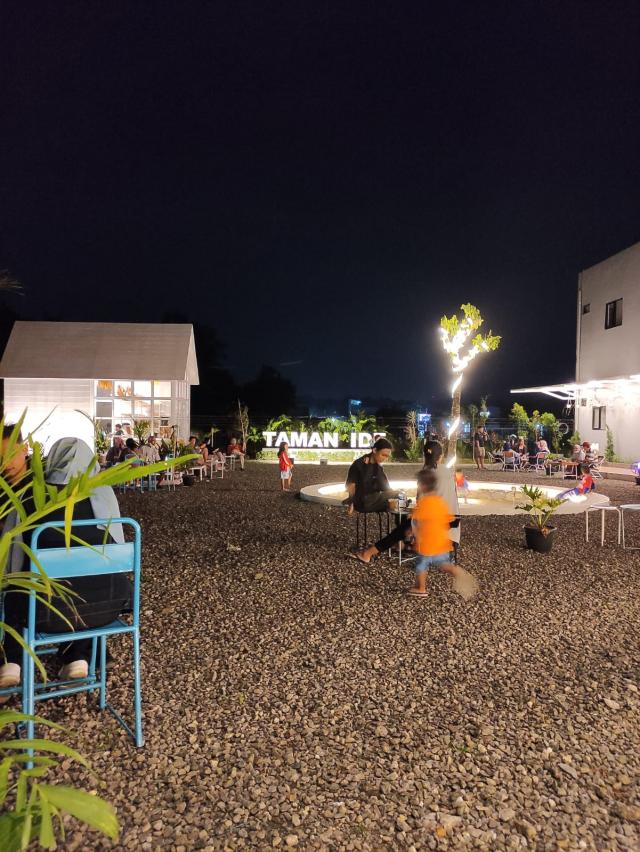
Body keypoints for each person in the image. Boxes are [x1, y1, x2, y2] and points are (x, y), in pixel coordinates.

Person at [0, 435, 133, 697]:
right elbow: (117, 553)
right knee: (87, 584)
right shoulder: (103, 494)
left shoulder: (30, 497)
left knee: (14, 591)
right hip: (107, 607)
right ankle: (78, 658)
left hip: (42, 612)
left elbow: (12, 567)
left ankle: (10, 662)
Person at [407, 469, 478, 600]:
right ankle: (458, 572)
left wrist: (411, 532)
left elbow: (417, 521)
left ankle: (421, 588)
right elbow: (447, 520)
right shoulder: (440, 502)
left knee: (421, 565)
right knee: (444, 564)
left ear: (422, 486)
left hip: (427, 542)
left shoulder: (424, 503)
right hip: (441, 541)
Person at [344, 437, 395, 514]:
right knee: (398, 497)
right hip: (363, 501)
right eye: (383, 455)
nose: (385, 459)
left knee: (399, 496)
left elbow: (385, 487)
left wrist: (394, 495)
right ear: (374, 450)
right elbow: (351, 485)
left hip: (373, 500)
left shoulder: (378, 467)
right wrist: (351, 503)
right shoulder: (358, 464)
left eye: (387, 456)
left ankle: (398, 514)